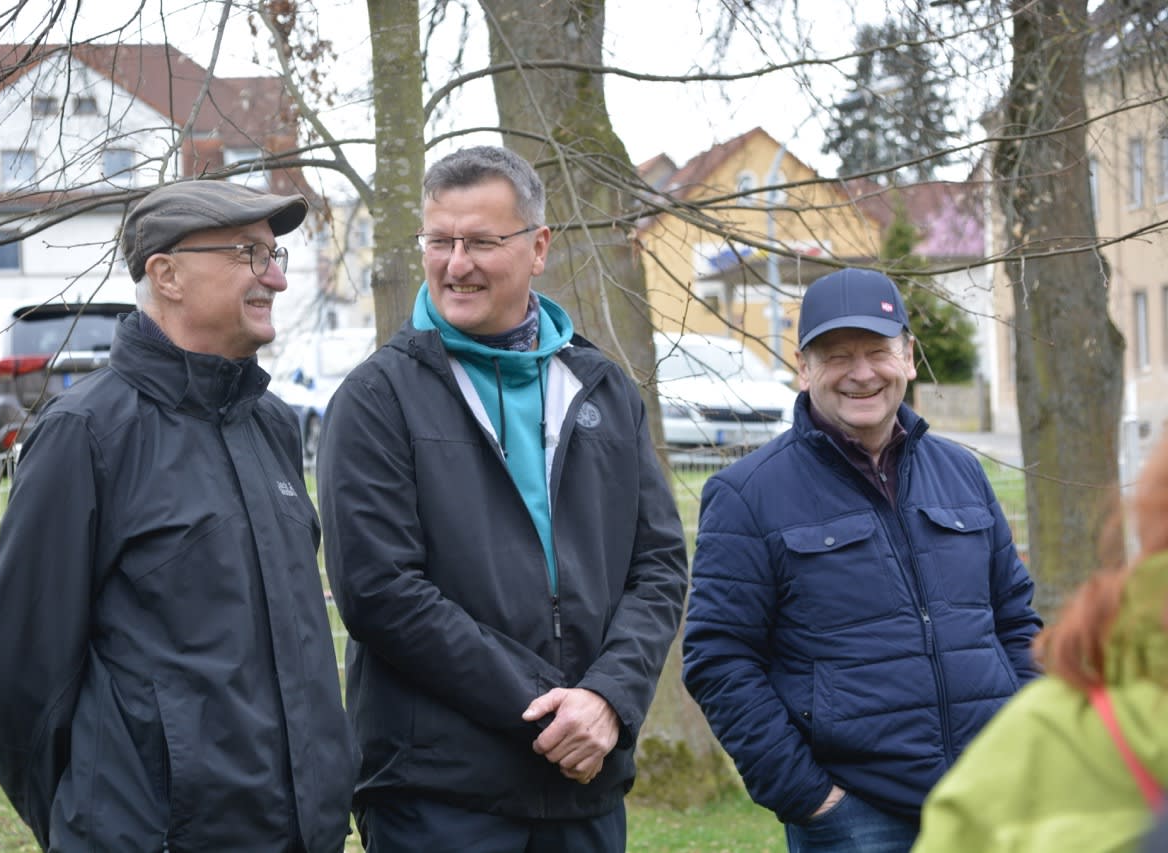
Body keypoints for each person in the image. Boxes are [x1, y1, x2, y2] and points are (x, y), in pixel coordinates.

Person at [316, 145, 688, 852]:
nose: (456, 265)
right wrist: (553, 711)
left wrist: (608, 698)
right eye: (440, 241)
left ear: (538, 246)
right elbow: (380, 592)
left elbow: (659, 565)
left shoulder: (604, 389)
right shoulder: (376, 399)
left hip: (585, 789)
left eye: (482, 242)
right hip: (440, 798)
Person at [0, 180, 356, 852]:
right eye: (250, 253)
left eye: (275, 255)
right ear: (167, 274)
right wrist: (95, 822)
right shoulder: (86, 433)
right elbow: (13, 680)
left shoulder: (272, 425)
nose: (277, 278)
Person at [681, 267, 1043, 853]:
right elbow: (719, 659)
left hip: (994, 802)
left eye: (878, 352)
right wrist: (809, 798)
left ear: (908, 357)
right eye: (837, 356)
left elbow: (1016, 621)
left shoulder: (962, 473)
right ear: (804, 368)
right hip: (857, 817)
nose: (862, 373)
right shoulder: (748, 494)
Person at [913, 433, 1168, 853]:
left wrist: (1032, 707)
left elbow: (1013, 611)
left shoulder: (958, 470)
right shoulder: (1043, 734)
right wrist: (814, 795)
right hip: (860, 794)